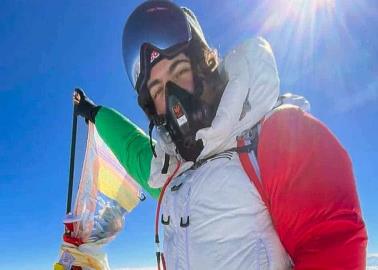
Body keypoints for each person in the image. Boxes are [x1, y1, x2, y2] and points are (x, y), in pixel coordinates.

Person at [74, 1, 367, 269]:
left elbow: (333, 247)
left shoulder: (277, 136)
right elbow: (132, 148)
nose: (173, 94)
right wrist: (94, 113)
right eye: (159, 89)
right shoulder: (169, 174)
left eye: (179, 71)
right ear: (153, 108)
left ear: (203, 67)